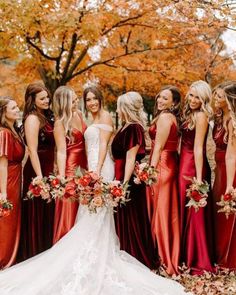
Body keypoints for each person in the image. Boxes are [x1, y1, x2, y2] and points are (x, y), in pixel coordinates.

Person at [0, 87, 188, 295]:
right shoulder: (70, 119)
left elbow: (103, 145)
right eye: (83, 99)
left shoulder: (100, 116)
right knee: (86, 214)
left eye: (92, 98)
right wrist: (65, 174)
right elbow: (62, 150)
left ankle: (99, 251)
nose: (88, 102)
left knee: (98, 213)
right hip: (84, 169)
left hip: (98, 168)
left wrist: (96, 171)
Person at [111, 91, 157, 269]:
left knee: (131, 218)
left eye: (118, 106)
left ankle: (134, 255)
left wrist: (123, 185)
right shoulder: (126, 126)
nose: (116, 110)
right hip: (121, 176)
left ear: (126, 108)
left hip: (128, 180)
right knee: (123, 217)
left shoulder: (133, 128)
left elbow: (131, 158)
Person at [178, 80, 214, 274]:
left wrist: (199, 179)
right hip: (182, 164)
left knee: (195, 213)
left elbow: (198, 147)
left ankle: (197, 257)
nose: (192, 100)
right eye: (191, 95)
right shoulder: (189, 113)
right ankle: (184, 254)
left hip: (193, 167)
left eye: (197, 97)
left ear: (204, 99)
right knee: (184, 209)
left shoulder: (202, 116)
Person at [17, 82, 55, 261]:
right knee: (37, 211)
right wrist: (40, 178)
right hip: (36, 170)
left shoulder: (45, 117)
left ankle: (46, 251)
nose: (47, 100)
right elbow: (32, 150)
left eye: (47, 97)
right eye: (42, 98)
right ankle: (35, 253)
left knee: (47, 212)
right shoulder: (32, 119)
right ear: (32, 100)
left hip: (48, 168)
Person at [146, 86, 181, 275]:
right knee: (165, 213)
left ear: (173, 103)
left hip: (162, 166)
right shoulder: (169, 117)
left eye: (165, 98)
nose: (160, 100)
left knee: (160, 214)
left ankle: (162, 257)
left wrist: (149, 171)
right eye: (159, 96)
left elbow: (158, 147)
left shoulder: (166, 118)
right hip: (168, 164)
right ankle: (164, 254)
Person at [53, 86, 87, 243]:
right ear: (64, 102)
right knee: (70, 203)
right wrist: (62, 176)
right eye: (73, 100)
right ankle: (65, 241)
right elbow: (61, 151)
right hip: (71, 166)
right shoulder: (60, 123)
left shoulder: (79, 115)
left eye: (76, 99)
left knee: (83, 205)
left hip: (84, 164)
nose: (77, 102)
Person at [212, 81, 236, 269]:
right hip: (220, 169)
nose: (216, 98)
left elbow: (231, 155)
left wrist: (229, 184)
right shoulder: (220, 116)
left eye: (220, 96)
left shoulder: (232, 121)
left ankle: (228, 258)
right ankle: (218, 252)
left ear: (229, 99)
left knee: (227, 212)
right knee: (218, 212)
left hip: (230, 171)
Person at [0, 96, 25, 268]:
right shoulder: (4, 133)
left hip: (15, 179)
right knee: (6, 222)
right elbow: (2, 165)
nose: (17, 110)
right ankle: (3, 260)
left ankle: (10, 258)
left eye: (17, 107)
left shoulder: (13, 130)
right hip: (7, 181)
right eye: (13, 108)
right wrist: (3, 193)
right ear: (4, 112)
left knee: (13, 221)